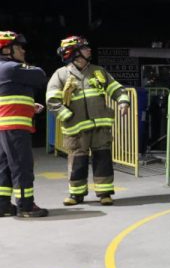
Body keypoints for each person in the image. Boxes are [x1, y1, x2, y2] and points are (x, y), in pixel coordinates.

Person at [46, 36, 130, 206]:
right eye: (85, 48)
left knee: (103, 159)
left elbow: (116, 88)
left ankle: (104, 193)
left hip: (100, 127)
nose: (89, 50)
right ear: (75, 54)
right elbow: (52, 100)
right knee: (78, 162)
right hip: (76, 130)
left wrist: (123, 101)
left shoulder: (98, 71)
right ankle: (76, 194)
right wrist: (67, 116)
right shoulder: (61, 75)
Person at [0, 31, 49, 218]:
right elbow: (40, 76)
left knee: (4, 167)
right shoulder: (11, 68)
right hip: (14, 127)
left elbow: (8, 96)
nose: (23, 50)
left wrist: (29, 105)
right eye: (19, 47)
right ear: (6, 49)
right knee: (22, 166)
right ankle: (26, 206)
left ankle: (3, 205)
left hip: (4, 127)